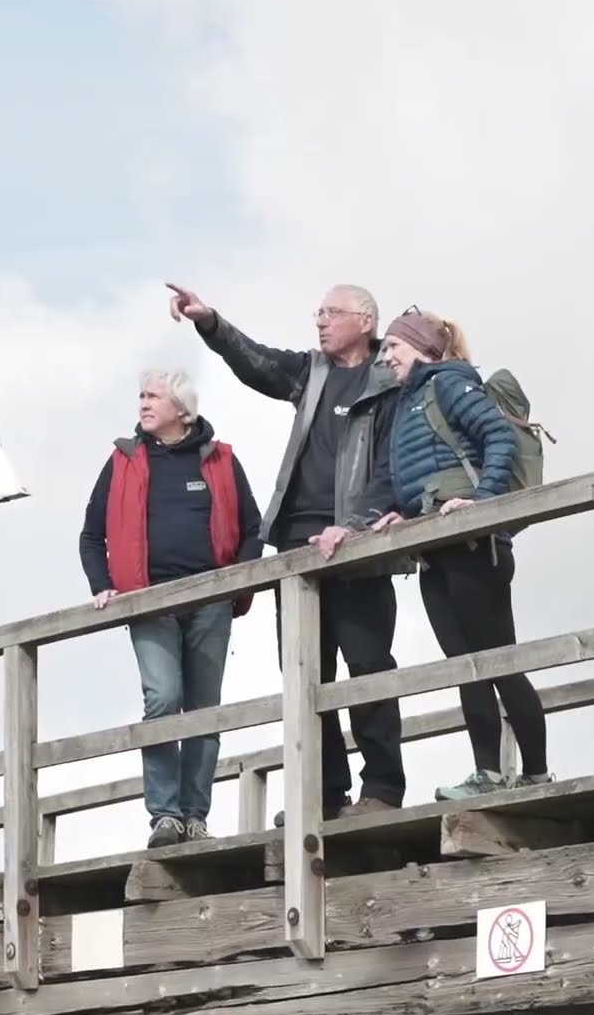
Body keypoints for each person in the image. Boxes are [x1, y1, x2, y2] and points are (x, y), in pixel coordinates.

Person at [166, 279, 405, 821]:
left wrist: (358, 524)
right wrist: (210, 322)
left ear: (365, 322)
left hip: (357, 544)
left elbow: (392, 466)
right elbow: (258, 364)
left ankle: (383, 790)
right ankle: (321, 794)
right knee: (303, 671)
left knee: (369, 665)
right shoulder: (311, 371)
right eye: (317, 311)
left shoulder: (388, 380)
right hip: (298, 543)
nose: (319, 321)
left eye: (331, 312)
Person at [372, 309, 551, 802]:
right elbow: (424, 474)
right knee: (463, 664)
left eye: (394, 347)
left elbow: (497, 437)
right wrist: (402, 515)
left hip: (475, 546)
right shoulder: (407, 402)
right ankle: (488, 774)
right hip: (435, 549)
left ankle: (536, 774)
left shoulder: (448, 383)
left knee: (496, 662)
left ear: (423, 348)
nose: (385, 357)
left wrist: (482, 500)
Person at [79, 368, 262, 849]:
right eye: (140, 394)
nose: (143, 403)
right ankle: (165, 815)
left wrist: (238, 581)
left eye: (154, 396)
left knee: (204, 709)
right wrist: (102, 585)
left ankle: (195, 815)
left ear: (182, 409)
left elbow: (251, 528)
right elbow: (90, 535)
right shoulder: (124, 460)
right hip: (149, 601)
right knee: (162, 699)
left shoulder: (221, 459)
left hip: (209, 600)